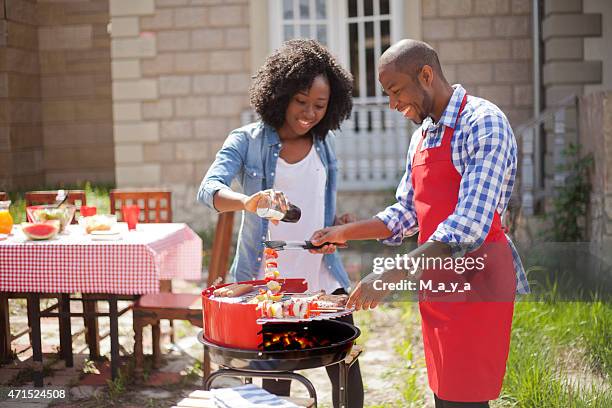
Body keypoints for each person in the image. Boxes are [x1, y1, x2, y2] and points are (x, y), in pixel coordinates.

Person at [311, 39, 530, 408]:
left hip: (476, 282)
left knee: (467, 400)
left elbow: (468, 226)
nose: (392, 103)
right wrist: (342, 233)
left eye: (395, 91)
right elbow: (406, 213)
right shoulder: (422, 137)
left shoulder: (483, 123)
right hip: (437, 280)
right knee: (445, 395)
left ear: (425, 75)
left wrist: (390, 273)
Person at [197, 39, 363, 408]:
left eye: (319, 105)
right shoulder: (246, 140)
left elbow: (318, 203)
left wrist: (336, 226)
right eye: (300, 101)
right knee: (277, 385)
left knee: (347, 375)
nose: (309, 113)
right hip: (269, 288)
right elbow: (208, 190)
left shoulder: (325, 143)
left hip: (323, 280)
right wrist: (248, 202)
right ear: (281, 93)